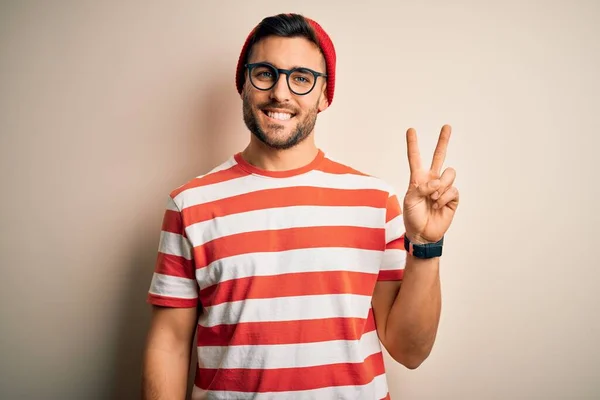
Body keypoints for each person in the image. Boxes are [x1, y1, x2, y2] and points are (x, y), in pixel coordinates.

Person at [141, 12, 459, 400]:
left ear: (325, 94)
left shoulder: (377, 202)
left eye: (302, 78)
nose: (281, 92)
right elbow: (169, 346)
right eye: (265, 73)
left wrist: (425, 244)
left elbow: (410, 352)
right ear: (244, 83)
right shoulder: (189, 205)